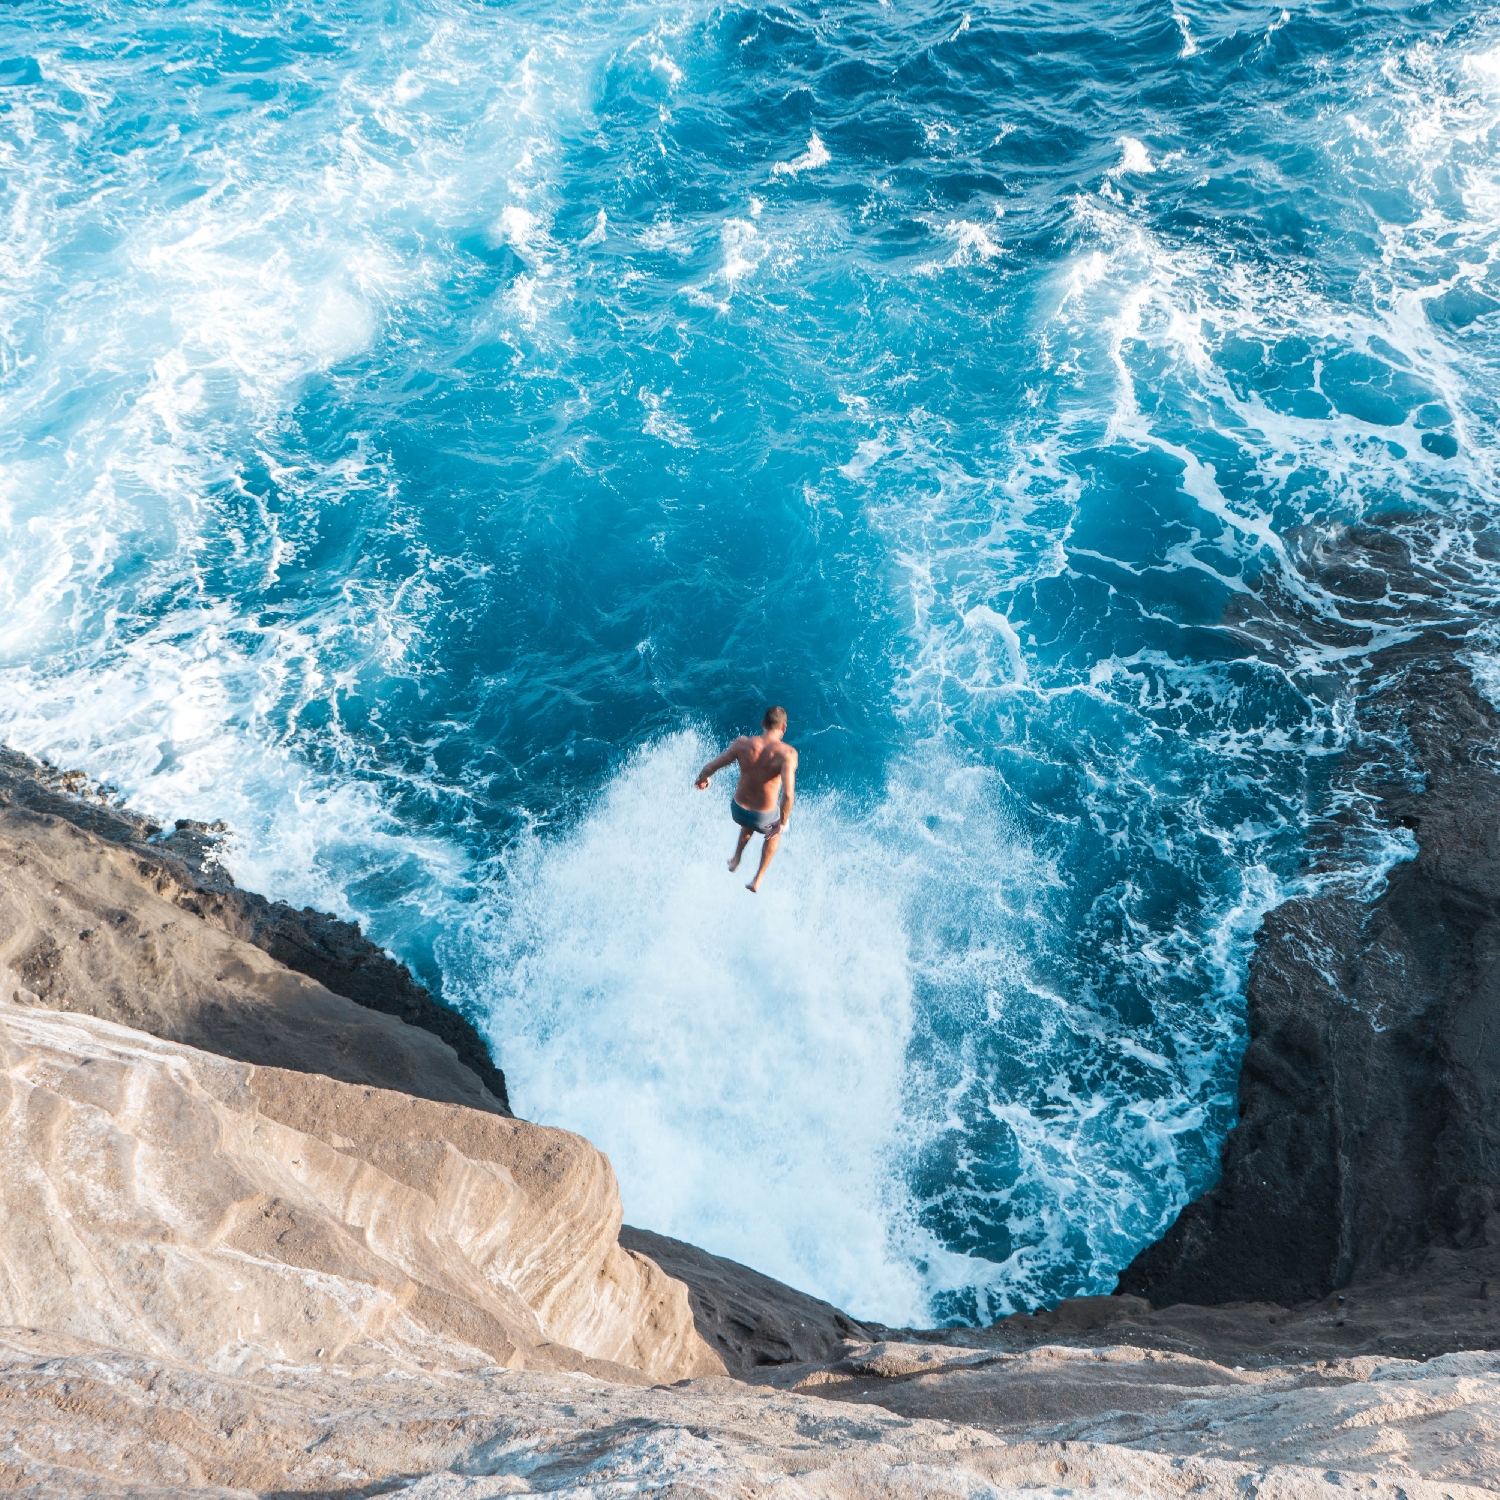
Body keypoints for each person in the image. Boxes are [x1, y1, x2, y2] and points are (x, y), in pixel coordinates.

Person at [694, 706, 798, 893]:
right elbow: (788, 795)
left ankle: (736, 860)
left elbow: (711, 767)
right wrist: (782, 822)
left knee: (748, 822)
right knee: (774, 833)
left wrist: (703, 779)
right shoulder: (786, 754)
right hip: (763, 817)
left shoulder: (742, 744)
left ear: (763, 723)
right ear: (783, 728)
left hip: (738, 810)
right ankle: (757, 879)